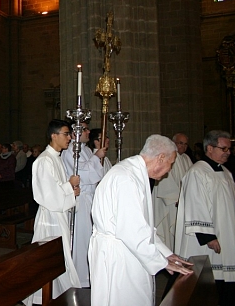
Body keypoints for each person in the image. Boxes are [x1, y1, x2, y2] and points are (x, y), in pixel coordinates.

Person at [89, 134, 192, 306]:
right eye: (171, 163)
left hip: (127, 250)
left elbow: (142, 225)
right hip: (119, 256)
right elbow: (131, 231)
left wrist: (166, 254)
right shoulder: (126, 178)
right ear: (160, 158)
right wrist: (162, 261)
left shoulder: (134, 173)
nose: (170, 169)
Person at [24, 119, 81, 305]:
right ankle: (44, 296)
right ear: (53, 135)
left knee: (58, 257)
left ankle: (58, 294)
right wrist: (69, 186)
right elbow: (46, 195)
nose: (70, 138)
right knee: (50, 258)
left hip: (59, 214)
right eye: (66, 134)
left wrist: (71, 192)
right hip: (50, 216)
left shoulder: (56, 158)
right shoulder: (43, 161)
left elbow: (59, 189)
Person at [175, 130, 235, 306]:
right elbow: (196, 204)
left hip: (226, 232)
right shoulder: (198, 172)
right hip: (207, 239)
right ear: (210, 148)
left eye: (229, 149)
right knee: (208, 282)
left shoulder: (225, 172)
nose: (228, 152)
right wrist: (208, 236)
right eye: (223, 148)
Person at [61, 122, 106, 288]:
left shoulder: (85, 149)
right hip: (80, 200)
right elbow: (81, 173)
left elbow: (96, 173)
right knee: (81, 240)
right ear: (75, 132)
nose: (88, 132)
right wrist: (96, 157)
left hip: (89, 198)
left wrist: (95, 156)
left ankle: (89, 274)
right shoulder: (71, 150)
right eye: (85, 129)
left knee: (89, 239)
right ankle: (79, 277)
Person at [152, 133, 192, 251]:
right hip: (170, 203)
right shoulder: (169, 157)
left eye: (185, 144)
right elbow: (165, 180)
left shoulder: (186, 159)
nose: (183, 147)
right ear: (174, 143)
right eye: (180, 143)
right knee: (169, 233)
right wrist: (177, 199)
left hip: (183, 203)